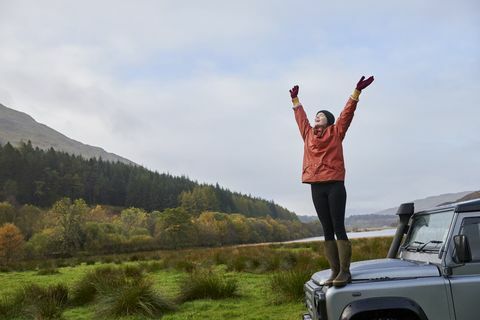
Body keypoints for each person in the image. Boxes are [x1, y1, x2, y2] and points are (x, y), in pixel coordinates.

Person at [289, 76, 374, 287]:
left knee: (338, 227)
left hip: (335, 184)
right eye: (316, 115)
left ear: (329, 120)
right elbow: (301, 119)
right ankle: (334, 271)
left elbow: (347, 114)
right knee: (326, 228)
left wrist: (356, 93)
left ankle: (345, 272)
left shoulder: (336, 132)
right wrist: (296, 101)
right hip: (316, 185)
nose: (316, 117)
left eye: (321, 116)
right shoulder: (308, 134)